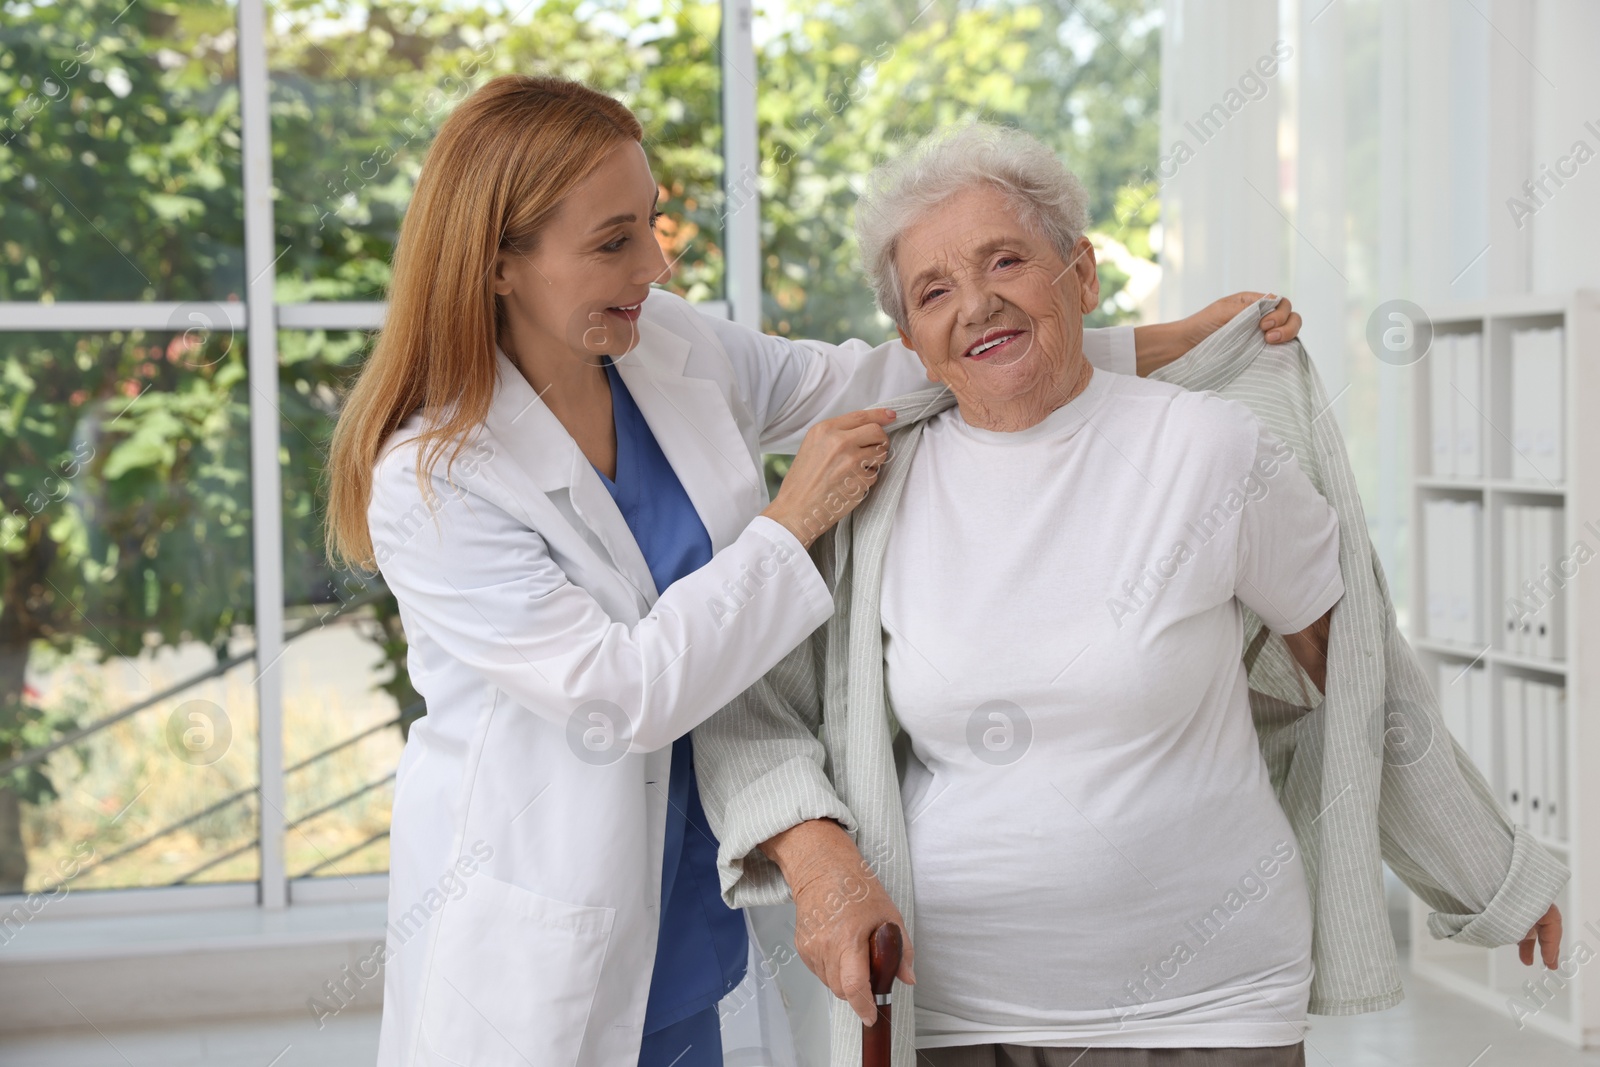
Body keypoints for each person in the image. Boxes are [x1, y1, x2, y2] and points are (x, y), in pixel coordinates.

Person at [323, 76, 1305, 1067]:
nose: (656, 264)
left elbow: (877, 373)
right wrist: (791, 524)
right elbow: (620, 693)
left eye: (652, 224)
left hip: (695, 897)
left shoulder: (660, 342)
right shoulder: (435, 481)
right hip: (548, 914)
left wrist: (1166, 341)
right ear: (500, 265)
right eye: (614, 241)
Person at [691, 123, 1569, 1067]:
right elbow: (751, 705)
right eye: (935, 290)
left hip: (1216, 1001)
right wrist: (818, 861)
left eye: (1007, 260)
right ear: (909, 340)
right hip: (959, 1006)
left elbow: (1363, 677)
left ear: (1082, 274)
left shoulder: (1210, 450)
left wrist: (1491, 873)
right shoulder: (871, 487)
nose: (979, 303)